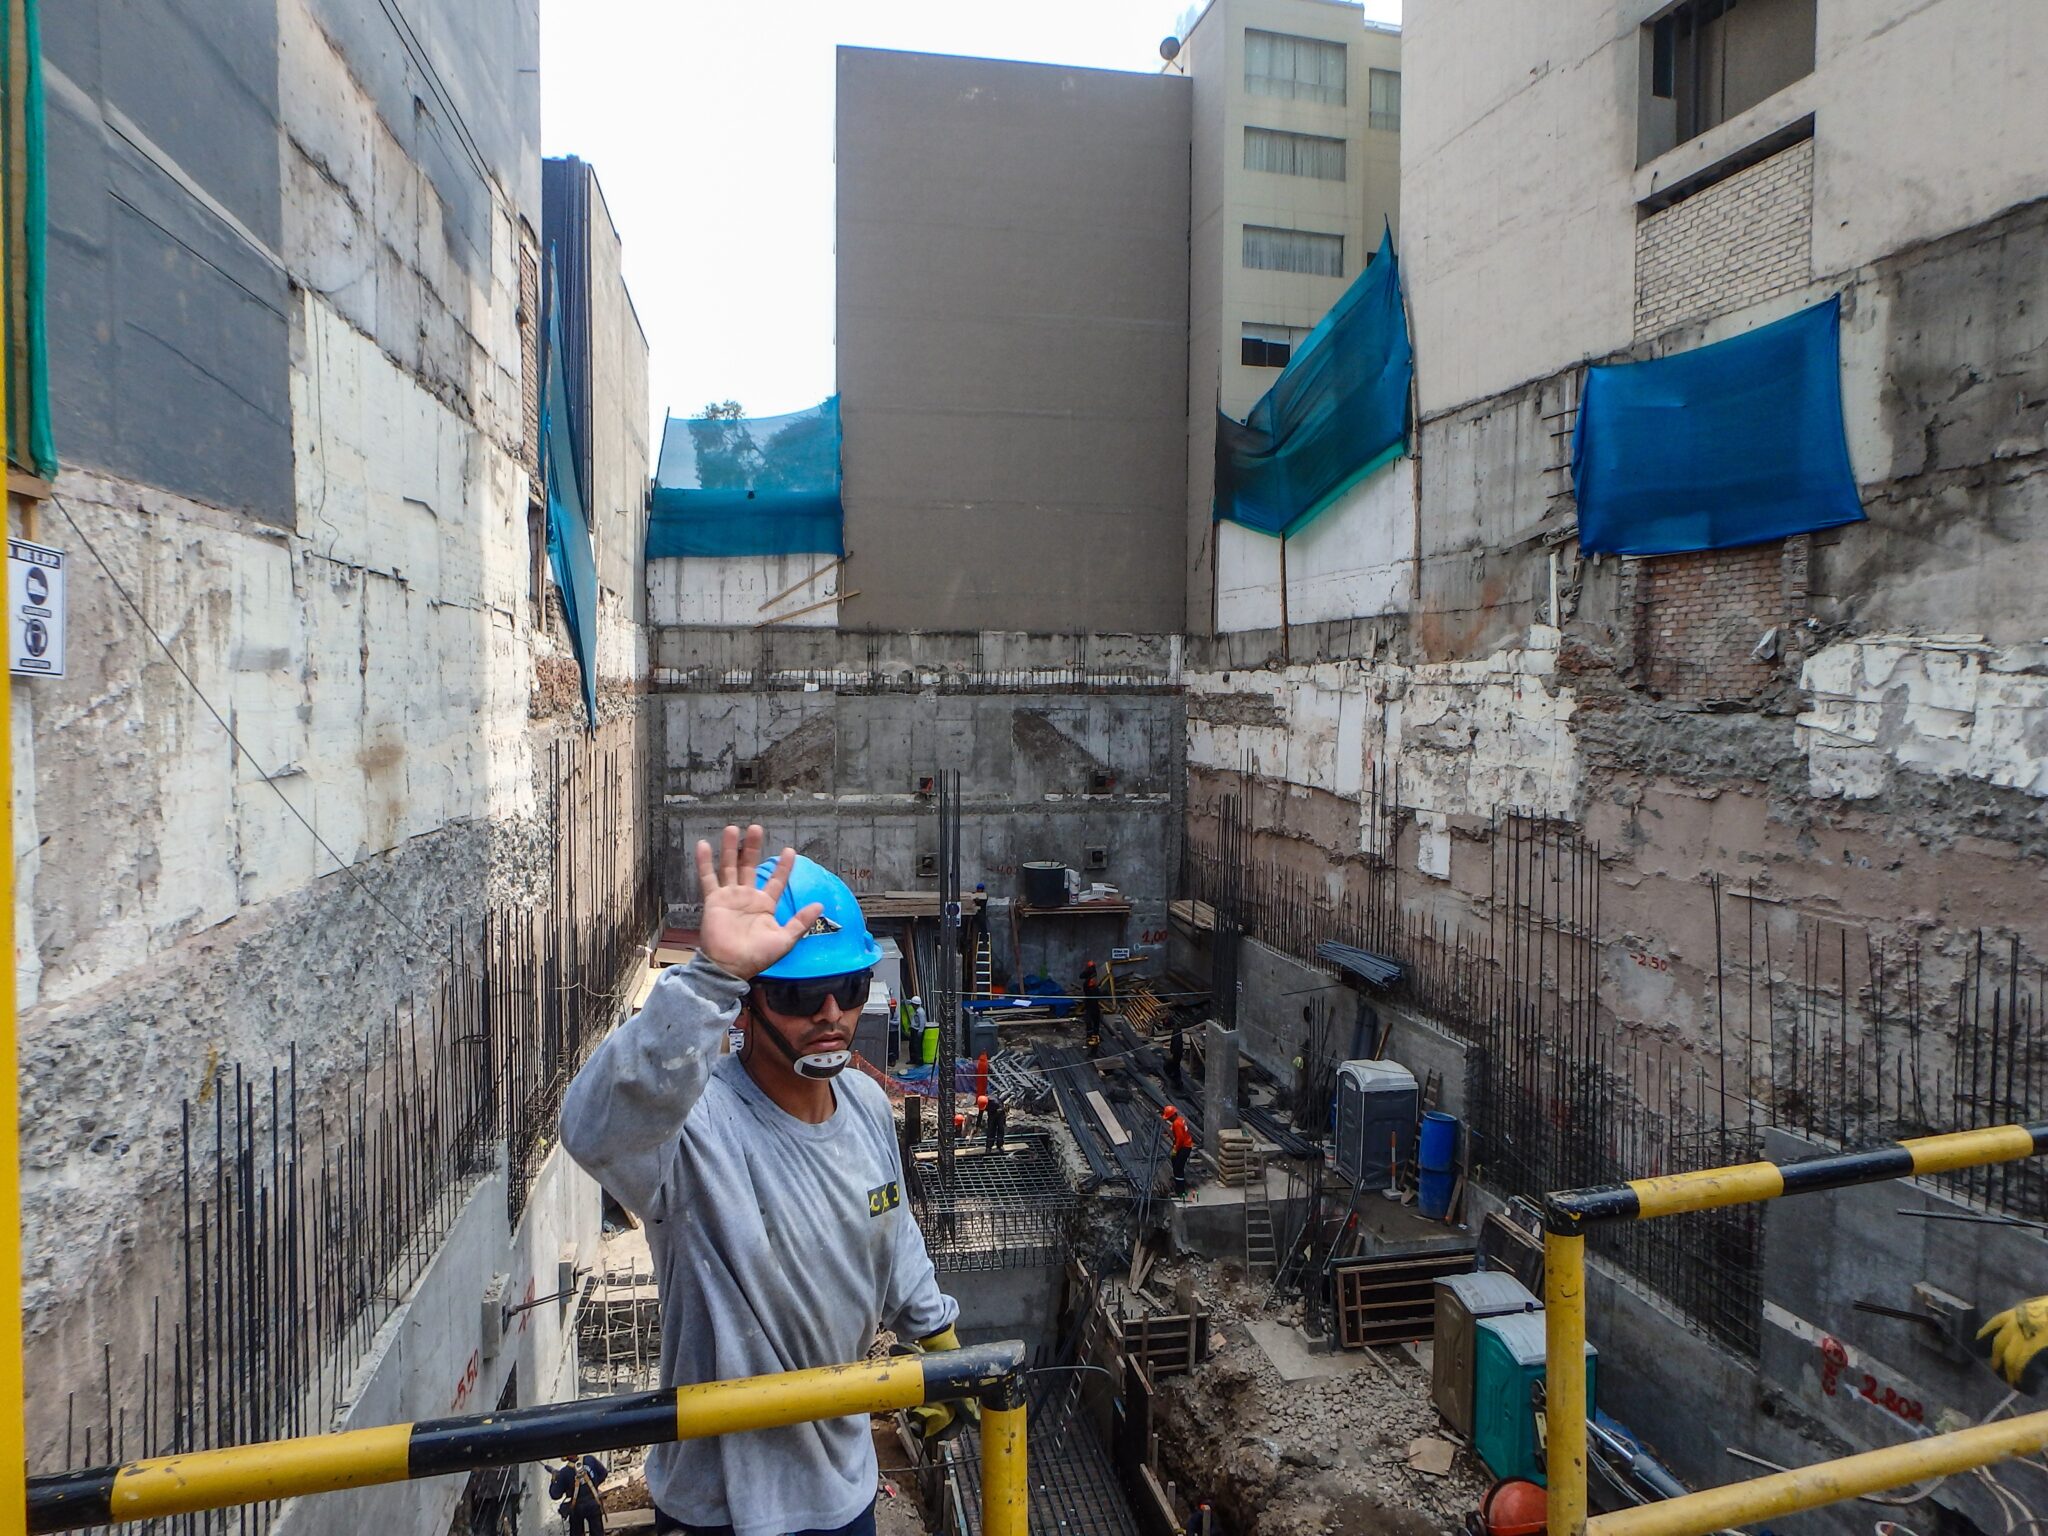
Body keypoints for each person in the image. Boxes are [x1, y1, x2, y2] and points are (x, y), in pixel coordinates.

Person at [562, 825, 965, 1536]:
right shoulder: (694, 1130)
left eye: (846, 988)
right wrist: (710, 973)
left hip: (844, 1494)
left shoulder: (870, 1106)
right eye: (803, 994)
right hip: (721, 1508)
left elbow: (893, 1234)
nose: (831, 1015)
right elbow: (595, 1129)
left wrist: (939, 1344)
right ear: (747, 1003)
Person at [549, 1451, 608, 1536]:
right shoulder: (590, 1460)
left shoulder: (564, 1472)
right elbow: (603, 1474)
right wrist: (593, 1486)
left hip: (577, 1507)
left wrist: (554, 1479)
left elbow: (555, 1494)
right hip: (593, 1503)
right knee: (597, 1533)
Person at [1162, 1104, 1195, 1198]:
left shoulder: (1176, 1123)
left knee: (1178, 1169)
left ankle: (1180, 1192)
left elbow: (1180, 1139)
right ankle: (1179, 1186)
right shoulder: (1180, 1119)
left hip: (1184, 1147)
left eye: (1169, 1117)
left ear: (1173, 1115)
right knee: (1176, 1164)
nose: (1168, 1119)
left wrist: (1175, 1149)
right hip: (1186, 1145)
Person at [1081, 960, 1103, 1057]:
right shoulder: (1088, 978)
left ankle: (1094, 1045)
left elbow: (1097, 994)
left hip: (1093, 1005)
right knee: (1090, 1023)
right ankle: (1091, 1041)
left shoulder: (1093, 981)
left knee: (1094, 1024)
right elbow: (1081, 976)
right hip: (1090, 1003)